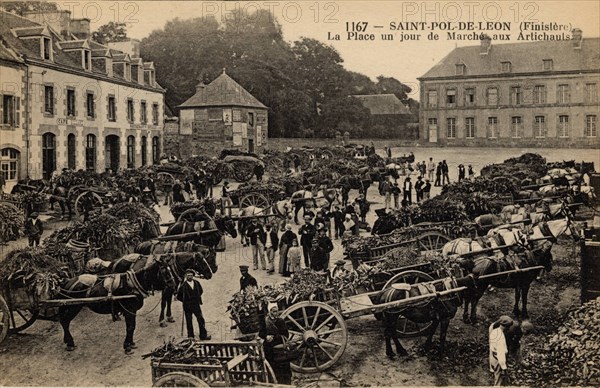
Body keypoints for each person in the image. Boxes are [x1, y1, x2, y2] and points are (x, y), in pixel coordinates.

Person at [259, 303, 292, 385]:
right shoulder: (265, 321)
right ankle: (273, 382)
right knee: (272, 366)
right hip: (269, 347)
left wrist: (274, 337)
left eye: (277, 311)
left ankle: (285, 383)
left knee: (283, 367)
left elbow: (285, 334)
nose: (276, 313)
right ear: (270, 312)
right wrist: (266, 337)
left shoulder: (281, 321)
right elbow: (261, 333)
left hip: (279, 346)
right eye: (274, 311)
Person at [176, 269, 211, 340]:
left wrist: (197, 297)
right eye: (188, 275)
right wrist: (185, 301)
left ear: (193, 276)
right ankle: (191, 337)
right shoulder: (183, 286)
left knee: (201, 319)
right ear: (186, 276)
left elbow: (201, 291)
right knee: (189, 321)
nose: (190, 277)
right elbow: (178, 296)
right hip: (187, 306)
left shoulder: (197, 283)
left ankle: (203, 335)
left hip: (196, 304)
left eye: (191, 275)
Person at [489, 315, 513, 386]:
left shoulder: (495, 331)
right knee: (498, 381)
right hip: (498, 360)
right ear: (506, 326)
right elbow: (501, 354)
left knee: (496, 377)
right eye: (508, 327)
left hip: (493, 358)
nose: (509, 329)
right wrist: (504, 367)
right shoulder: (500, 338)